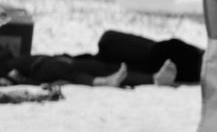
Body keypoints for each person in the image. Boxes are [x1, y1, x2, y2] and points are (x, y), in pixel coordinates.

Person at [0, 30, 202, 88]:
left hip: (87, 61)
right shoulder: (16, 67)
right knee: (110, 45)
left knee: (110, 42)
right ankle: (155, 78)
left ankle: (198, 61)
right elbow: (68, 73)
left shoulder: (13, 61)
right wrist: (98, 82)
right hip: (67, 67)